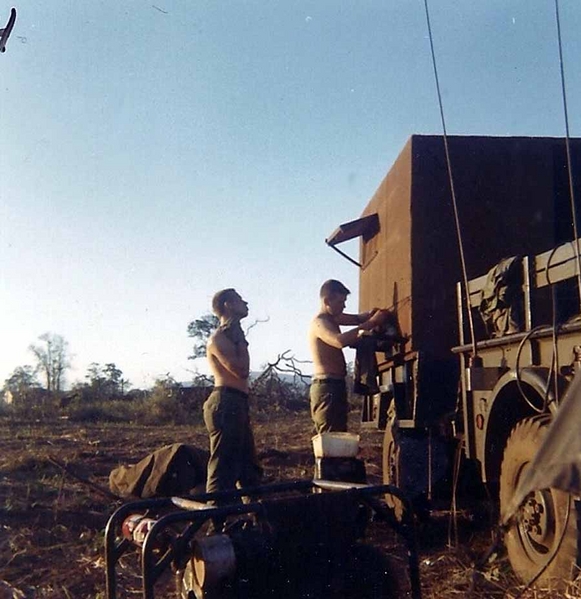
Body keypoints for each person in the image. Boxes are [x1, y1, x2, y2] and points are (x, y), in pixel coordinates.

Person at [203, 288, 262, 507]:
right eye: (240, 300)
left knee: (248, 468)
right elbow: (241, 369)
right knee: (223, 468)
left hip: (236, 403)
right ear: (227, 305)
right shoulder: (218, 339)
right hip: (225, 404)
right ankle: (214, 524)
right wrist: (241, 341)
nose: (246, 303)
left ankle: (256, 520)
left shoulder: (233, 335)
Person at [308, 279, 389, 433]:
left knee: (338, 433)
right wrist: (372, 322)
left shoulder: (333, 317)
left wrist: (370, 315)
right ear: (327, 301)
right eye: (340, 302)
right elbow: (339, 341)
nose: (343, 306)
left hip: (335, 385)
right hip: (326, 387)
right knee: (330, 436)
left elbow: (356, 318)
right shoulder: (320, 323)